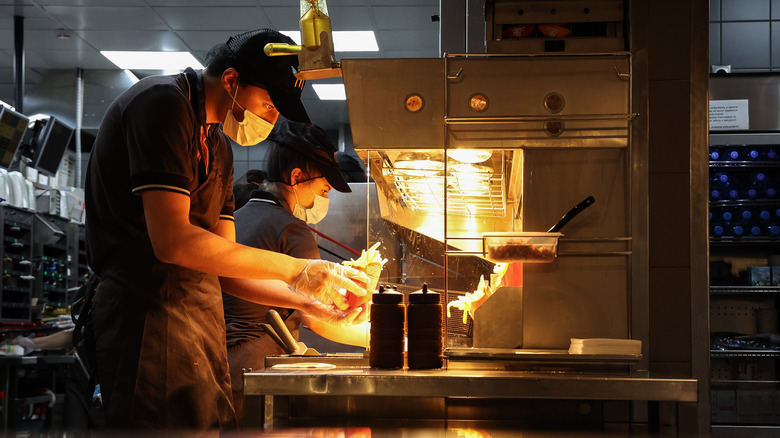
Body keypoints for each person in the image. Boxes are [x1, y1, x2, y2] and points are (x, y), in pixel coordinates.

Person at [84, 28, 368, 430]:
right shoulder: (163, 105)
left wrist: (308, 300)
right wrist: (295, 270)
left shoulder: (217, 147)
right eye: (269, 104)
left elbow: (227, 265)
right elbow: (172, 241)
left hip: (199, 317)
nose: (271, 119)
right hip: (146, 314)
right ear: (232, 80)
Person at [222, 120, 369, 426]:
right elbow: (315, 316)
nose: (324, 200)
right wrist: (378, 336)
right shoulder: (293, 229)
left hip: (219, 359)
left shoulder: (235, 218)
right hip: (256, 360)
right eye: (323, 189)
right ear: (297, 177)